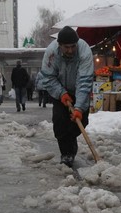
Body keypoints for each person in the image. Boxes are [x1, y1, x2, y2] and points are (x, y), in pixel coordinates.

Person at [39, 26, 94, 167]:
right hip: (59, 90)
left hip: (79, 90)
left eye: (73, 46)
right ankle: (66, 154)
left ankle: (71, 142)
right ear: (60, 45)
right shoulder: (51, 53)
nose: (70, 50)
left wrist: (79, 108)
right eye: (66, 47)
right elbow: (48, 77)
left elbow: (84, 80)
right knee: (59, 123)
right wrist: (61, 93)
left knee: (78, 124)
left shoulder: (84, 51)